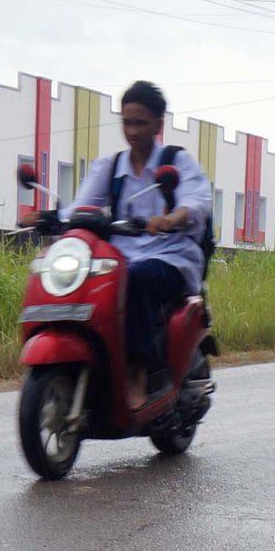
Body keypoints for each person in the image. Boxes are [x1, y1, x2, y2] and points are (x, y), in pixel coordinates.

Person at [70, 80, 213, 404]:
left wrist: (173, 218)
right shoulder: (110, 167)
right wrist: (49, 218)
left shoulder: (176, 162)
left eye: (140, 123)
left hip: (172, 257)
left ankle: (137, 370)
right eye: (126, 122)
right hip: (121, 256)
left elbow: (197, 201)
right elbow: (80, 208)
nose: (132, 131)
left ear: (159, 124)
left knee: (134, 279)